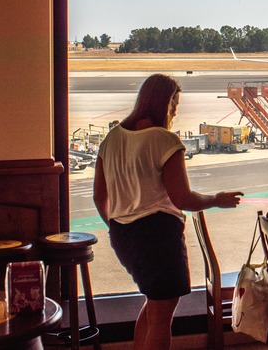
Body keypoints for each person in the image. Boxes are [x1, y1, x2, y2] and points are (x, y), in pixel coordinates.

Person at [93, 73, 243, 350]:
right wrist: (216, 199)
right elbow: (183, 198)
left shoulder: (112, 138)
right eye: (175, 103)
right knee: (162, 317)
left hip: (123, 236)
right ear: (167, 102)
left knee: (154, 304)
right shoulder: (164, 140)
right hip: (158, 236)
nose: (176, 110)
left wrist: (118, 225)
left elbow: (99, 196)